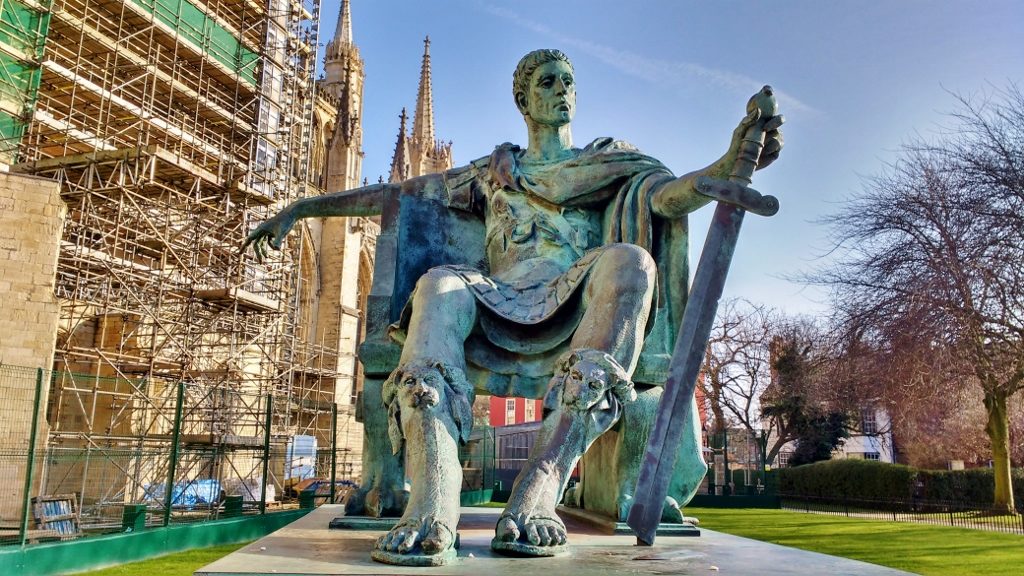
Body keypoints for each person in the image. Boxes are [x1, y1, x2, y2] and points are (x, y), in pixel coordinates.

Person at [244, 49, 782, 565]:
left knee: (631, 261)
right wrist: (303, 207)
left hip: (578, 304)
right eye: (547, 82)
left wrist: (727, 163)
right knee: (436, 285)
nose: (561, 91)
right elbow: (401, 194)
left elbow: (667, 196)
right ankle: (434, 495)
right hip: (494, 298)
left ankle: (541, 482)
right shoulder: (493, 172)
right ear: (524, 101)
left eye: (567, 82)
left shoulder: (609, 162)